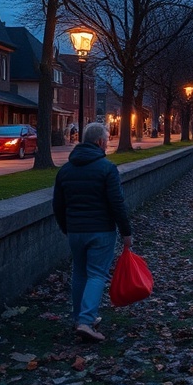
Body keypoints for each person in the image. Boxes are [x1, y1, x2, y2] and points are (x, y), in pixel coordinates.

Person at [53, 122, 132, 342]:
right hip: (101, 231)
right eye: (107, 140)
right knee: (97, 274)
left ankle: (79, 317)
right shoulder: (107, 168)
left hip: (76, 231)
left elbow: (58, 204)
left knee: (79, 273)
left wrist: (66, 228)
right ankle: (87, 321)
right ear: (100, 142)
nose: (107, 144)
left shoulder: (65, 170)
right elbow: (117, 203)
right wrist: (126, 232)